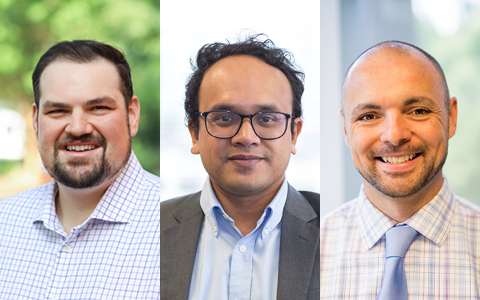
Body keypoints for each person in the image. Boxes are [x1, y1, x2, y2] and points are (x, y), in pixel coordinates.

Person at [160, 35, 320, 300]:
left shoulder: (335, 230)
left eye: (267, 118)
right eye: (224, 118)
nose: (246, 136)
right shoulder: (149, 230)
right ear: (194, 133)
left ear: (294, 134)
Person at [320, 40, 480, 299]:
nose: (394, 136)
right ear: (346, 129)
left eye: (418, 111)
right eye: (368, 116)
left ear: (451, 117)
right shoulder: (310, 251)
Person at [0, 40, 159, 298]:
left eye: (98, 108)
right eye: (58, 110)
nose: (77, 127)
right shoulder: (4, 223)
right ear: (36, 120)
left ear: (132, 115)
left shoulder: (178, 228)